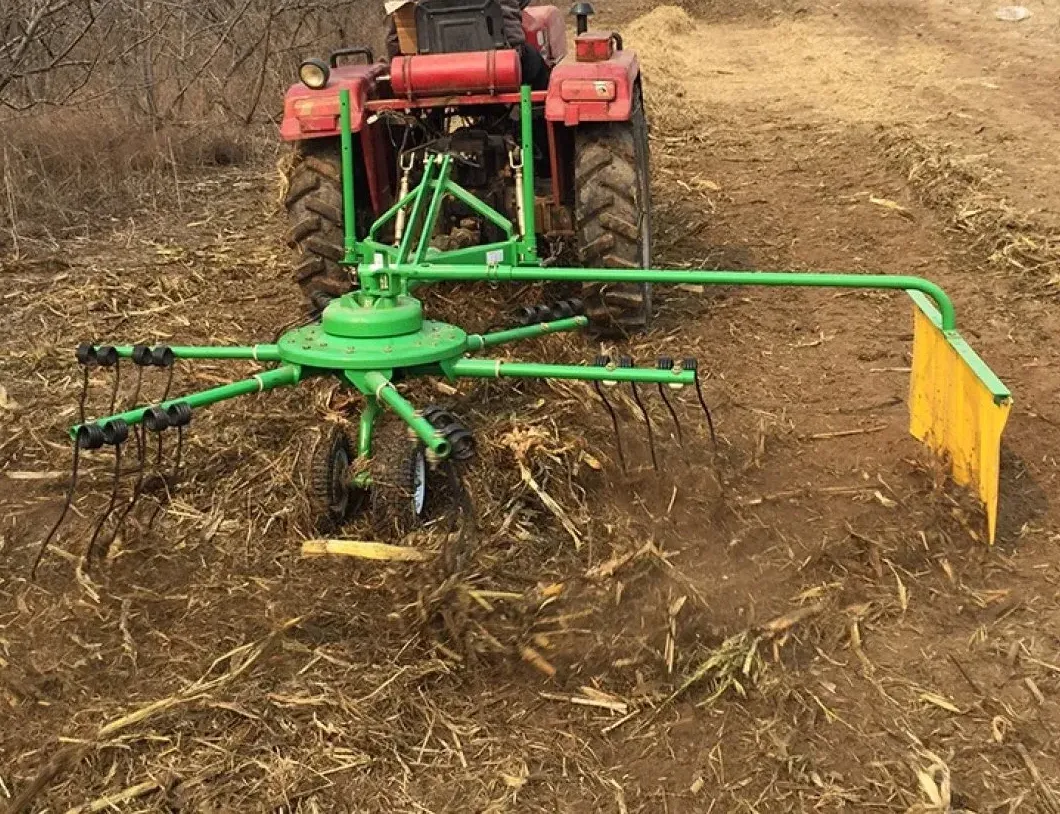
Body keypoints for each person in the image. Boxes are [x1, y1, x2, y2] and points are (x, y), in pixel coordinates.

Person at [385, 0, 550, 90]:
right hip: (501, 65)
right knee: (537, 67)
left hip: (434, 71)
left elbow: (393, 40)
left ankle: (417, 134)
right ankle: (542, 137)